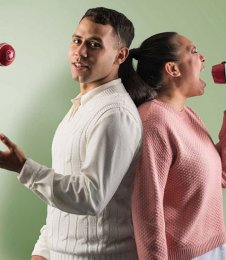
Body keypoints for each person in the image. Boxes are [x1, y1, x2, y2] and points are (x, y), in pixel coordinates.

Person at [0, 7, 145, 260]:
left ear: (120, 55)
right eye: (77, 41)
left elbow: (90, 197)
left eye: (94, 44)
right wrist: (43, 251)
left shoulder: (115, 114)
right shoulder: (82, 107)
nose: (81, 52)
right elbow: (63, 200)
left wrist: (23, 167)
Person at [127, 32, 226, 259]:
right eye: (193, 51)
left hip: (212, 248)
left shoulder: (185, 114)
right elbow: (147, 209)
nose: (202, 57)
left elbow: (222, 175)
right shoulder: (154, 122)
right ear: (173, 69)